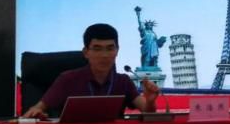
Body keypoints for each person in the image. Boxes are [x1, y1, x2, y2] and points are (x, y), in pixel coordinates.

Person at [22, 23, 159, 118]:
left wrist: (150, 101)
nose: (104, 55)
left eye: (110, 48)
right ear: (86, 52)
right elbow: (37, 108)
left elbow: (148, 111)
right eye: (97, 49)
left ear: (117, 51)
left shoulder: (123, 81)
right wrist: (37, 113)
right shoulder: (68, 79)